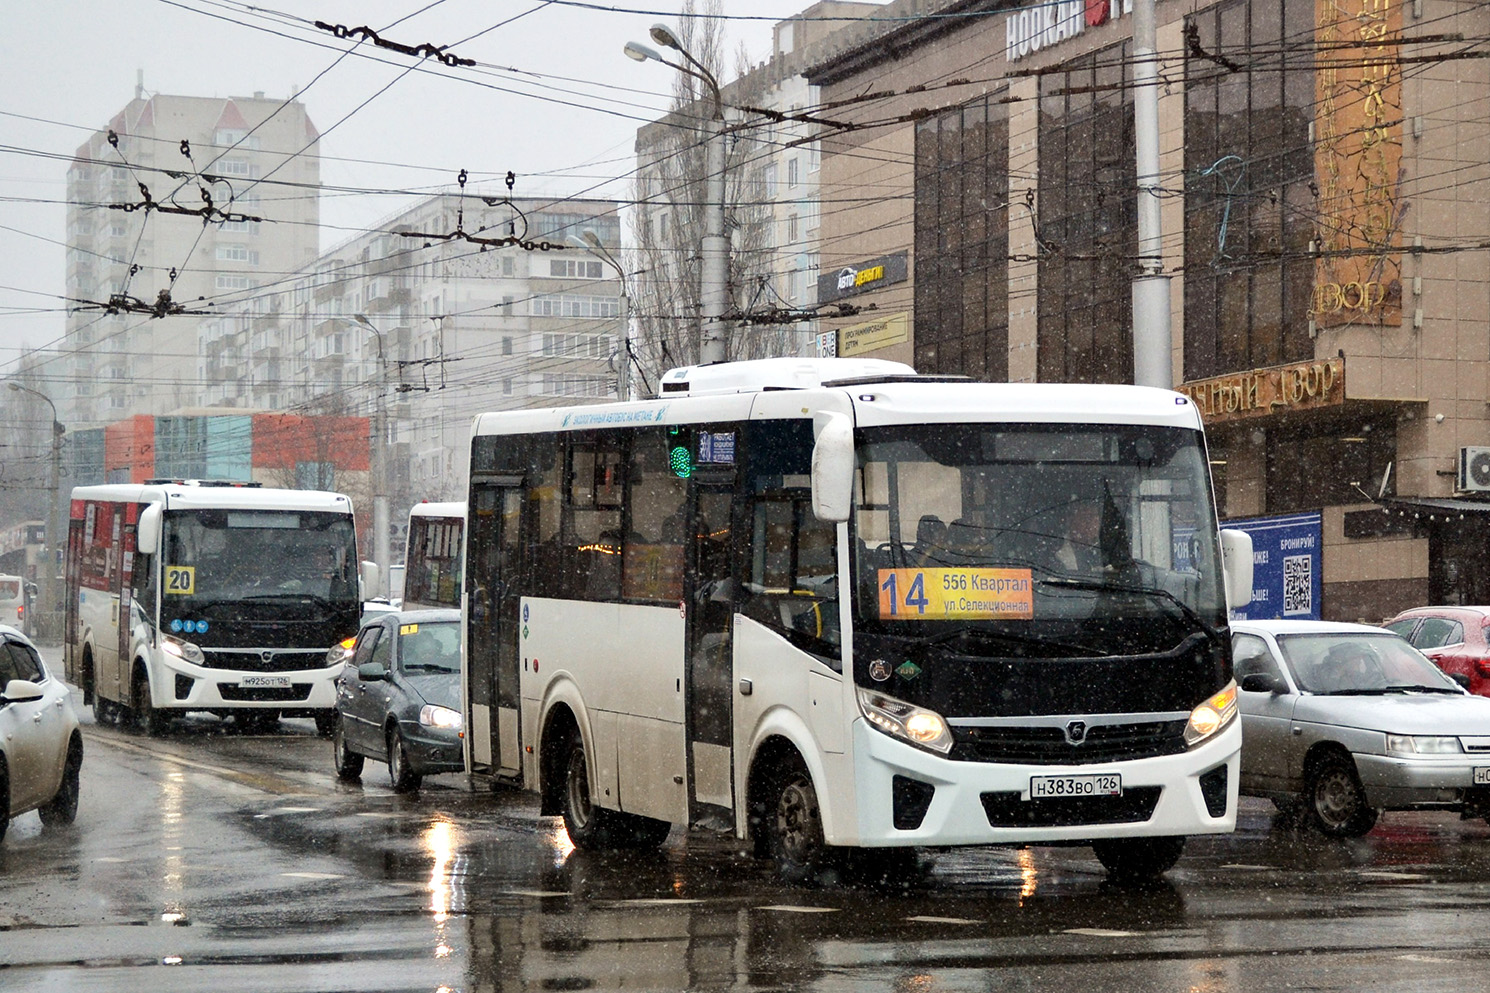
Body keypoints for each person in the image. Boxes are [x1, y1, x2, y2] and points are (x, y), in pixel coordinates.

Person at [1054, 500, 1103, 573]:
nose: (1089, 522)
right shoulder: (1056, 562)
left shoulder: (1111, 552)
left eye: (1093, 516)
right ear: (1071, 521)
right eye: (1084, 517)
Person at [1314, 641, 1380, 693]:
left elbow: (1368, 687)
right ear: (1346, 659)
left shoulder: (1356, 675)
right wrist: (1341, 671)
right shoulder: (1326, 673)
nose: (1360, 661)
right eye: (1356, 657)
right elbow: (1329, 689)